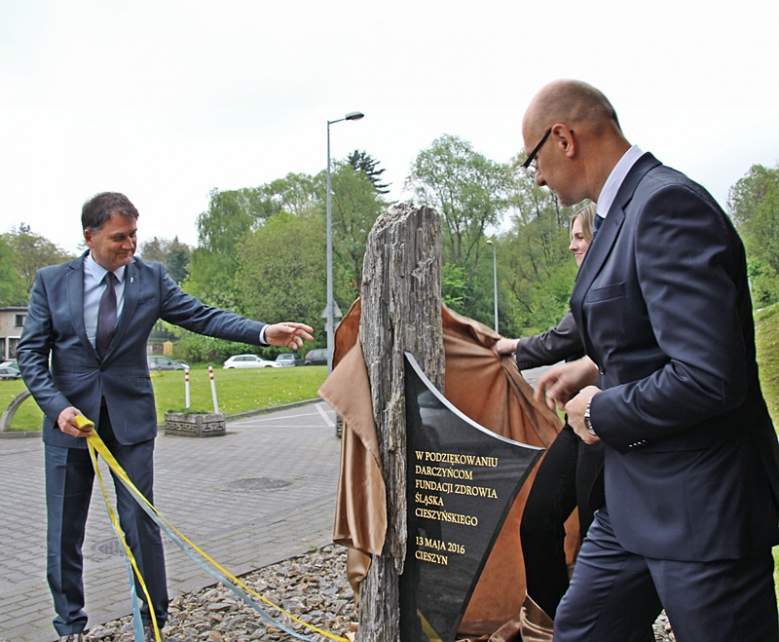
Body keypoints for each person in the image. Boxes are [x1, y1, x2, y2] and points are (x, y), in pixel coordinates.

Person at [521, 80, 779, 642]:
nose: (536, 176)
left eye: (532, 158)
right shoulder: (619, 214)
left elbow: (710, 377)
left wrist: (600, 409)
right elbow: (648, 336)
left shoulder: (666, 204)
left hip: (700, 507)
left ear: (563, 138)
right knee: (584, 629)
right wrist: (593, 366)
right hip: (632, 501)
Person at [17, 192, 314, 642]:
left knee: (140, 521)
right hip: (70, 424)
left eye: (134, 234)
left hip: (130, 422)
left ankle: (156, 617)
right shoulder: (51, 281)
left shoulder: (150, 279)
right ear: (89, 236)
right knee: (64, 530)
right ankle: (70, 624)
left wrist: (262, 332)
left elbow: (202, 317)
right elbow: (31, 355)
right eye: (119, 237)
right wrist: (58, 409)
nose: (130, 245)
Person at [494, 205, 597, 624]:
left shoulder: (609, 278)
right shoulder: (590, 282)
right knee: (540, 518)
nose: (572, 243)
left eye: (580, 236)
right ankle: (549, 622)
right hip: (583, 421)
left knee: (598, 536)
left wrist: (516, 347)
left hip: (609, 422)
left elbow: (564, 337)